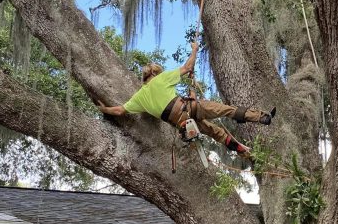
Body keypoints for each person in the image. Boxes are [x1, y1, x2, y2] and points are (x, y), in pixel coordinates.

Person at [97, 42, 275, 158]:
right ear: (155, 73)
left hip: (183, 123)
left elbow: (119, 111)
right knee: (226, 110)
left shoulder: (139, 97)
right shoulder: (161, 78)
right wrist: (195, 50)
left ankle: (248, 155)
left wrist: (104, 109)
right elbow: (188, 66)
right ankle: (262, 117)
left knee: (218, 134)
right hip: (190, 109)